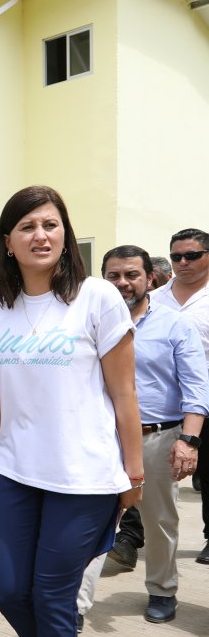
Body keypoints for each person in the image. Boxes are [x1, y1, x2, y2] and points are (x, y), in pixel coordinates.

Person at [0, 185, 144, 636]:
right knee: (7, 589)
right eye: (27, 226)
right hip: (16, 469)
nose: (40, 235)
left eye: (51, 225)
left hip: (82, 475)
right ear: (8, 242)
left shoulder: (97, 297)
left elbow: (125, 394)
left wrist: (134, 472)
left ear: (65, 234)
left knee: (53, 594)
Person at [76, 245, 206, 626]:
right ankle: (76, 605)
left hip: (158, 439)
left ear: (150, 278)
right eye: (113, 275)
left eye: (131, 274)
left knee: (159, 521)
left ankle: (163, 590)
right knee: (91, 522)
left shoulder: (174, 325)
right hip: (101, 438)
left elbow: (198, 388)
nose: (122, 283)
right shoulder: (89, 322)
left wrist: (189, 440)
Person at [152, 228, 209, 565]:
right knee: (144, 472)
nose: (183, 262)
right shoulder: (156, 299)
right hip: (160, 402)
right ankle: (130, 537)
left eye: (192, 255)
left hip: (204, 400)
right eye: (176, 256)